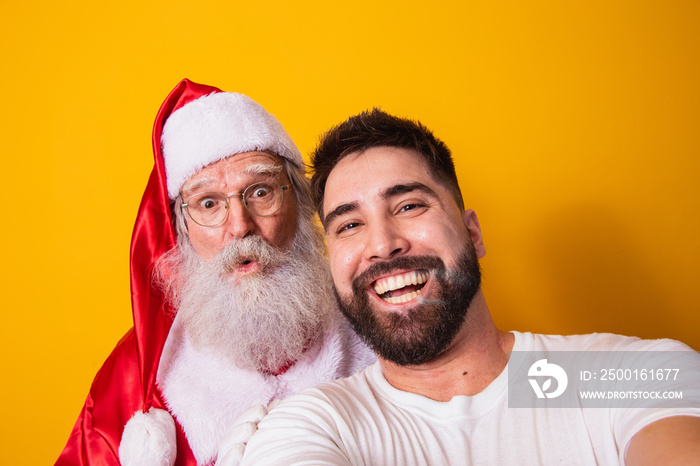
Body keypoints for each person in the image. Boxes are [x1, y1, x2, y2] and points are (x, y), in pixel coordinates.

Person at [239, 109, 700, 465]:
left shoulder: (620, 375)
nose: (382, 244)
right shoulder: (314, 424)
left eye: (408, 207)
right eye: (350, 224)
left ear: (472, 234)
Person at [56, 79, 375, 466]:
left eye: (261, 191)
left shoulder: (381, 326)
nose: (239, 226)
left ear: (302, 204)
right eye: (208, 203)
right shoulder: (135, 379)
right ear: (182, 232)